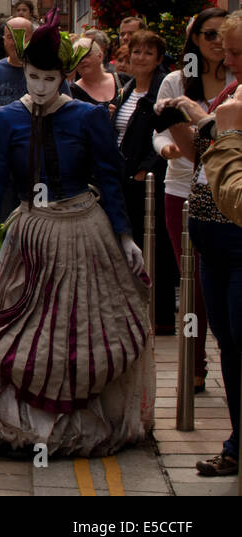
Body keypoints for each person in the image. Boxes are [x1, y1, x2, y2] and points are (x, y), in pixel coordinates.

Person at [0, 11, 150, 456]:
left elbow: (110, 180)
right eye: (32, 76)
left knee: (83, 327)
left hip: (84, 228)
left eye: (48, 79)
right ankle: (18, 413)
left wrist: (126, 237)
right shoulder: (1, 120)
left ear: (64, 77)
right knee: (18, 322)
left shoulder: (89, 118)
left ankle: (75, 411)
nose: (38, 87)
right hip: (28, 230)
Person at [155, 8, 232, 390]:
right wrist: (168, 146)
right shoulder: (176, 81)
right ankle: (196, 363)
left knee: (217, 284)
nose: (218, 43)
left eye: (224, 35)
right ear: (194, 40)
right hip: (183, 190)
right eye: (210, 35)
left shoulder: (237, 79)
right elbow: (160, 132)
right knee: (194, 283)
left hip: (230, 194)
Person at [111, 30, 176, 332]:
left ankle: (160, 317)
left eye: (148, 53)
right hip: (123, 178)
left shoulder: (163, 91)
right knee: (127, 246)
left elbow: (167, 135)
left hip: (148, 182)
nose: (140, 58)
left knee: (155, 248)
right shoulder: (125, 88)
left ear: (159, 59)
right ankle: (129, 311)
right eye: (136, 52)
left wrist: (143, 173)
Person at [196, 79, 242, 477]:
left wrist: (226, 134)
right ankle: (236, 443)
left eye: (237, 53)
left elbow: (238, 198)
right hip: (214, 249)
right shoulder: (232, 95)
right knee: (228, 343)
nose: (231, 63)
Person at [69, 35, 121, 104]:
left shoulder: (121, 79)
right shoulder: (72, 92)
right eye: (77, 58)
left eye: (87, 55)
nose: (82, 61)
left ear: (100, 56)